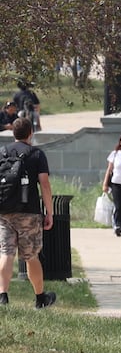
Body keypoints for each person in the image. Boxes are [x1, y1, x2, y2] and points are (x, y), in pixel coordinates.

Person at [0, 117, 56, 308]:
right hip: (29, 213)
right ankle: (40, 298)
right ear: (30, 133)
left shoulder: (2, 152)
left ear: (13, 133)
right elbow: (45, 184)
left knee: (6, 253)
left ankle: (3, 296)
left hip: (4, 211)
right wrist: (49, 212)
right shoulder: (36, 154)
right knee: (31, 256)